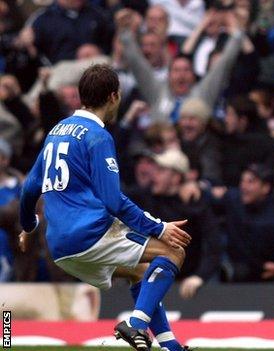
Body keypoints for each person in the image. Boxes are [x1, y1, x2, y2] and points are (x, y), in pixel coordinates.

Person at [18, 65, 192, 351]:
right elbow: (113, 201)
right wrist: (159, 227)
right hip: (89, 234)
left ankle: (170, 346)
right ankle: (135, 325)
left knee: (141, 271)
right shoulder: (97, 136)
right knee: (173, 251)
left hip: (59, 249)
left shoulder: (56, 132)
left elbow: (29, 190)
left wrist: (28, 227)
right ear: (114, 96)